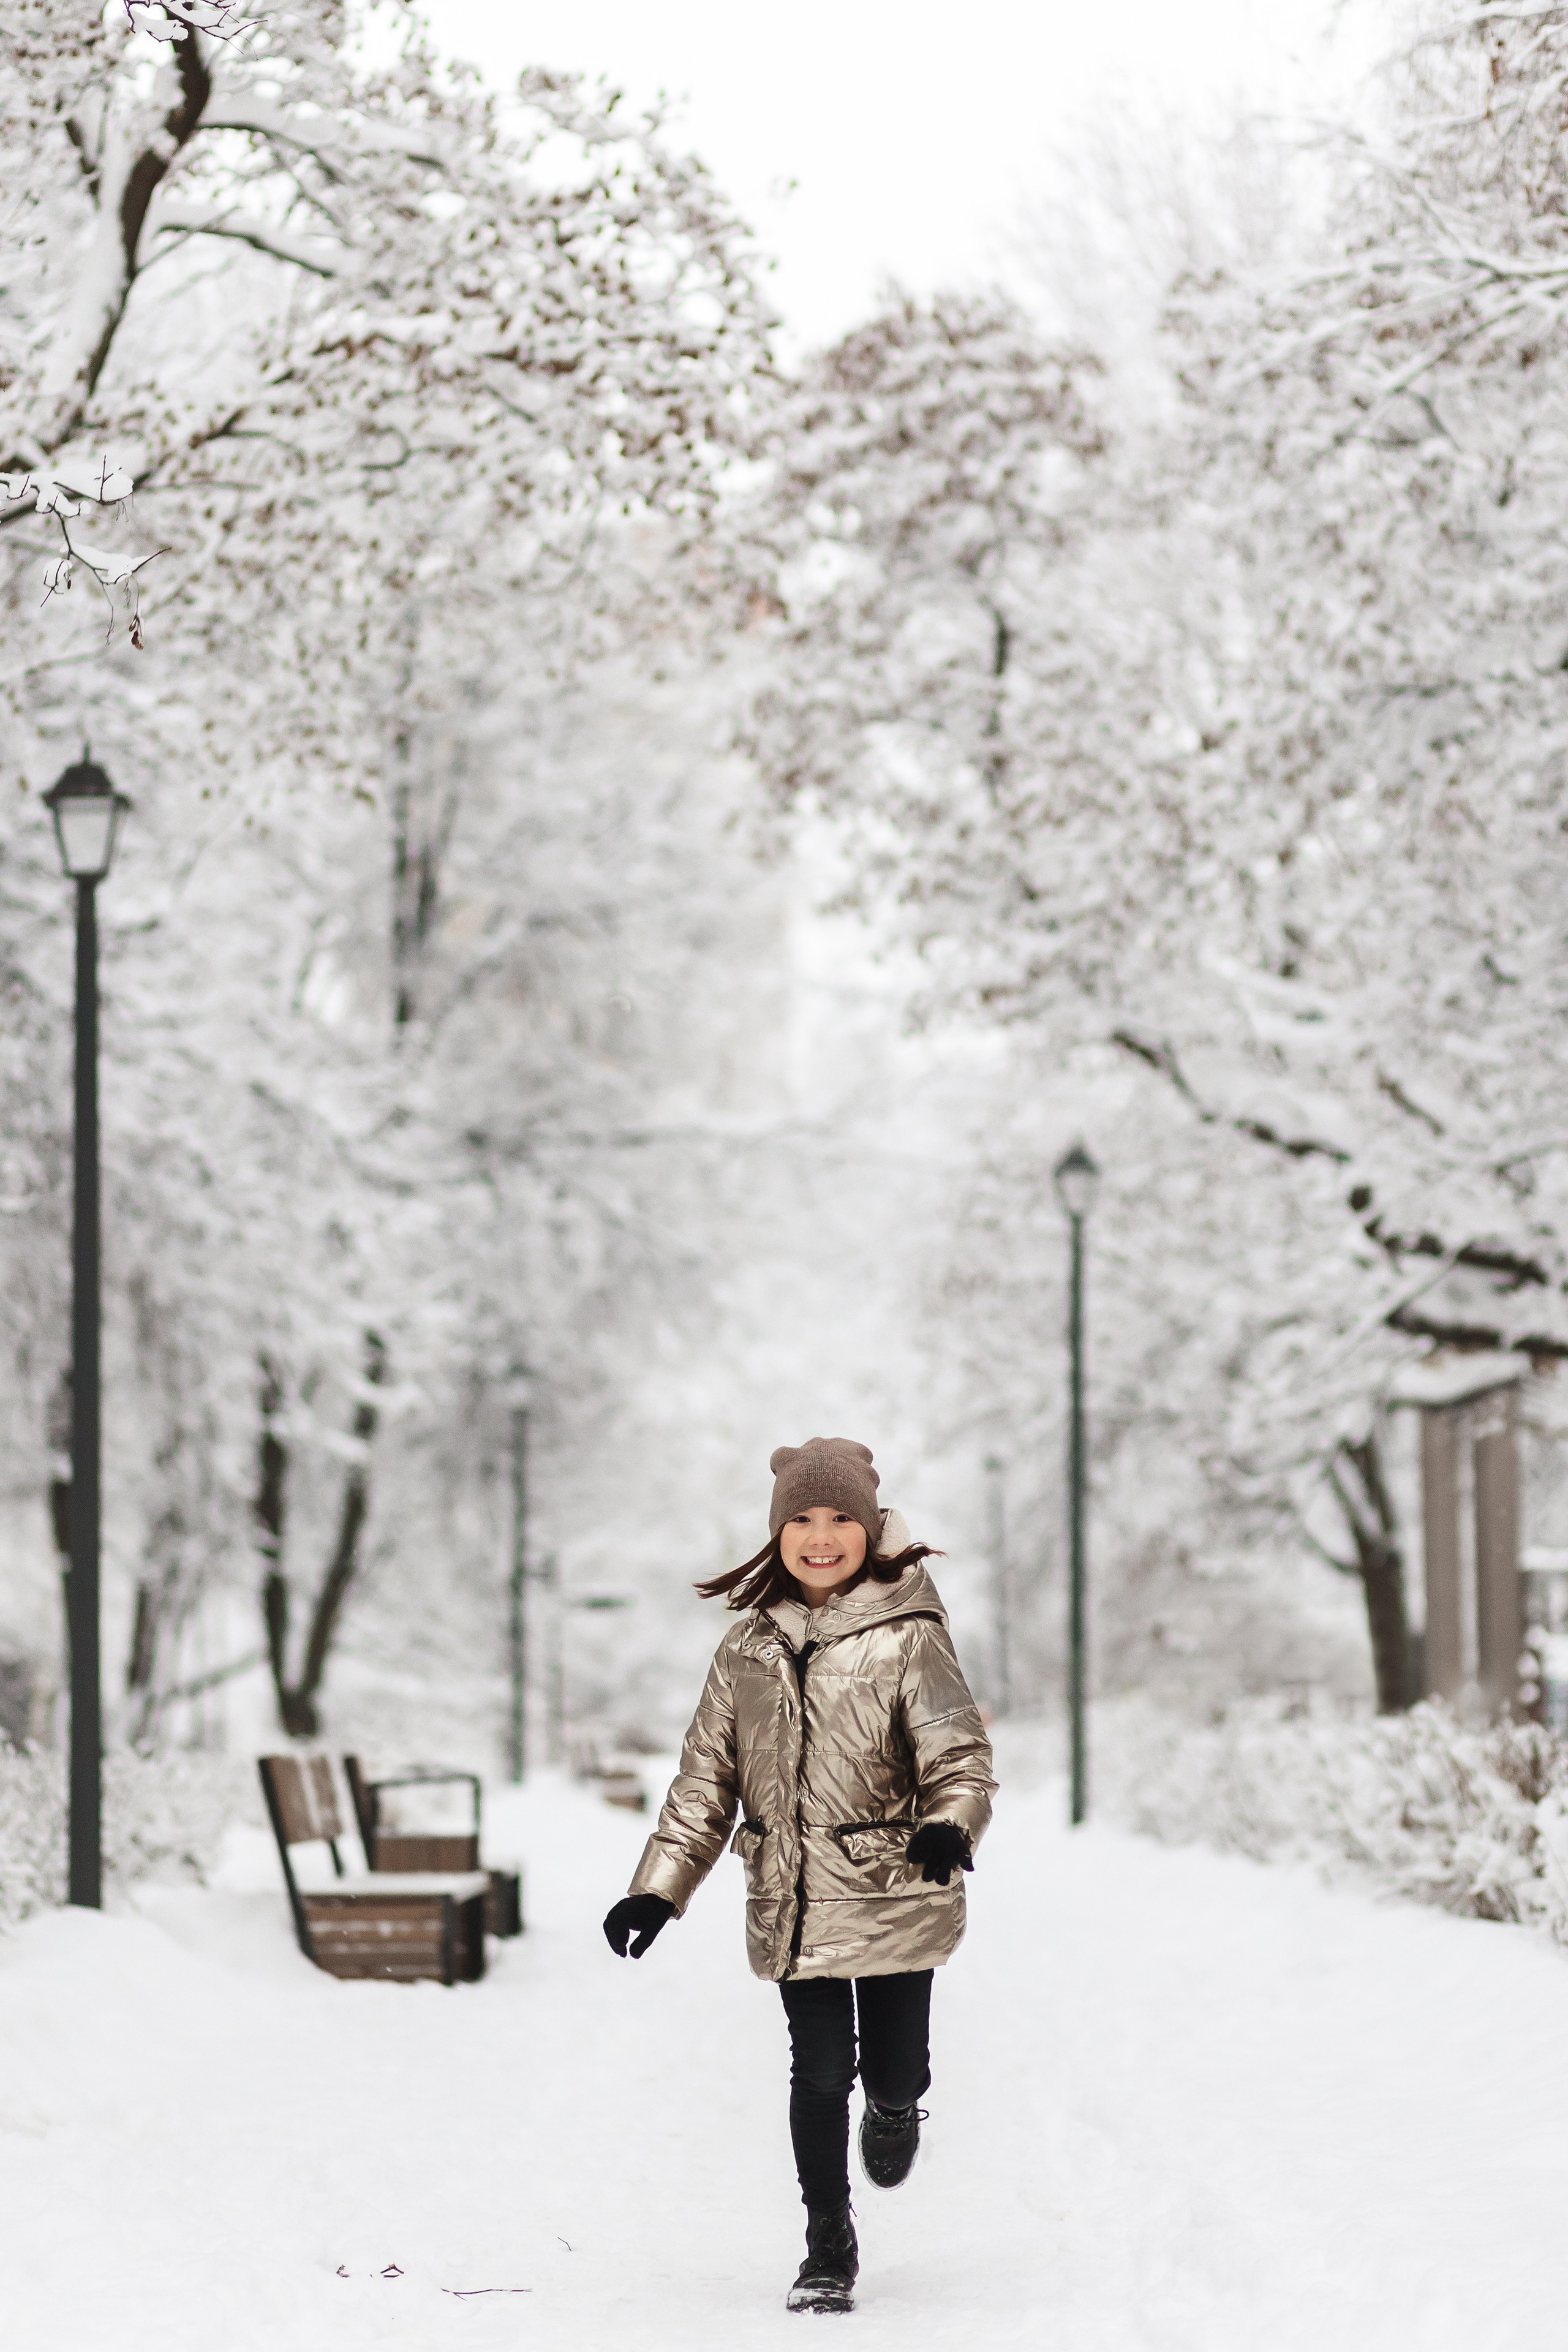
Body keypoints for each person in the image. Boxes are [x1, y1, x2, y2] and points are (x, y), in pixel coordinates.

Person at [603, 1437, 996, 2315]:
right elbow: (706, 1778)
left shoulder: (908, 1636)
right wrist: (656, 1887)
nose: (822, 1537)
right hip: (792, 1896)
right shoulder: (746, 1648)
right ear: (778, 1533)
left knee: (892, 2070)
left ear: (870, 1527)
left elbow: (960, 1755)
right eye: (804, 1520)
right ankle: (828, 2238)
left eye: (841, 1518)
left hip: (894, 1886)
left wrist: (949, 1825)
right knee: (818, 2071)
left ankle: (896, 2110)